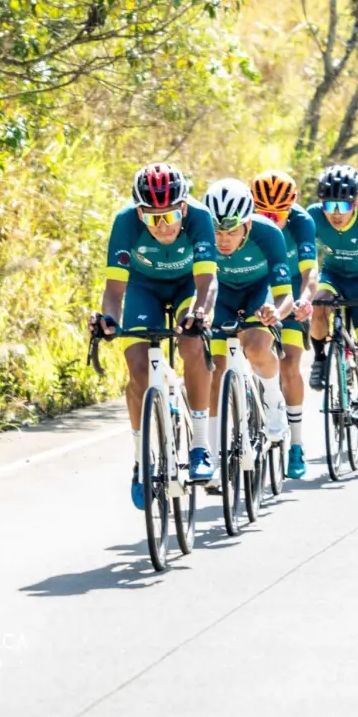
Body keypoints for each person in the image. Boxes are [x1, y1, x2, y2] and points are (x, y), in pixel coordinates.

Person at [92, 163, 218, 510]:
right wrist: (108, 320)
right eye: (152, 218)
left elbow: (207, 283)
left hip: (186, 287)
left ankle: (199, 446)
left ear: (183, 208)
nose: (162, 226)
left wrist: (201, 312)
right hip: (143, 287)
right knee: (137, 369)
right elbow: (115, 291)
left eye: (169, 216)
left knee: (192, 343)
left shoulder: (201, 218)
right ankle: (140, 461)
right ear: (138, 212)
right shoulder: (125, 223)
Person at [202, 178, 295, 473]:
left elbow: (286, 295)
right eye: (216, 231)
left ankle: (272, 397)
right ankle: (215, 458)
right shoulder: (199, 236)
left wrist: (276, 313)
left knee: (255, 347)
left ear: (248, 226)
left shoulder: (268, 234)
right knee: (215, 371)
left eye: (231, 231)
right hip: (221, 295)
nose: (222, 239)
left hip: (259, 293)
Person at [307, 165, 358, 457]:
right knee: (317, 304)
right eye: (329, 205)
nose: (335, 212)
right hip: (332, 276)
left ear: (355, 202)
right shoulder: (313, 216)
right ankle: (319, 358)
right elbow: (305, 258)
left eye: (343, 205)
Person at [250, 170, 317, 479]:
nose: (271, 218)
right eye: (263, 212)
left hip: (291, 289)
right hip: (259, 286)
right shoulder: (245, 221)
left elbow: (309, 273)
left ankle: (297, 443)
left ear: (292, 206)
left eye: (279, 213)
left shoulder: (303, 222)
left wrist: (305, 300)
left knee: (290, 364)